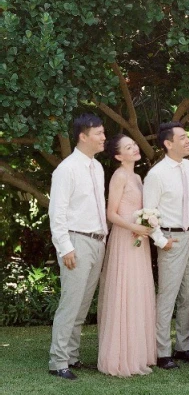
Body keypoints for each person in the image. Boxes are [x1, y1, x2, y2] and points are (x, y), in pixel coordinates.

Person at [48, 113, 108, 379]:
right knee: (70, 303)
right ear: (83, 136)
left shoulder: (97, 167)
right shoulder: (67, 169)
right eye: (99, 133)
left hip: (97, 241)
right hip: (76, 241)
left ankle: (71, 357)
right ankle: (58, 361)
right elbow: (57, 212)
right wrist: (65, 248)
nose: (104, 137)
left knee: (82, 304)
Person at [143, 121, 189, 370]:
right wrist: (161, 241)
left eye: (187, 137)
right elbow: (148, 211)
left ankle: (183, 347)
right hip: (171, 238)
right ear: (168, 144)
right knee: (167, 295)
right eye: (182, 137)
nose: (188, 140)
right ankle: (162, 351)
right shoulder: (156, 174)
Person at [97, 135, 156, 376]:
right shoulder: (120, 176)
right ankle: (120, 356)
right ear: (119, 156)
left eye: (134, 145)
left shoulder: (138, 177)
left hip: (138, 239)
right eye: (128, 147)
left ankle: (137, 353)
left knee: (137, 291)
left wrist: (146, 224)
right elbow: (111, 214)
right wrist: (135, 228)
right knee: (125, 291)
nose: (134, 148)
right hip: (125, 238)